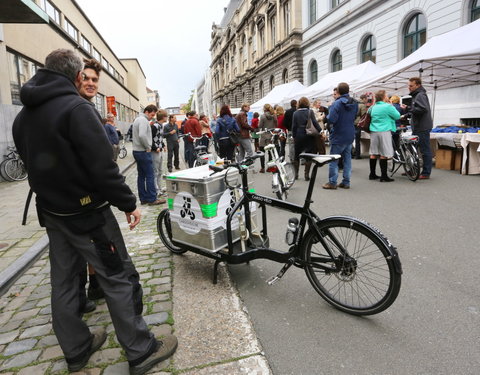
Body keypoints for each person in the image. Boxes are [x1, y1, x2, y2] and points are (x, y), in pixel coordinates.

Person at [12, 48, 177, 375]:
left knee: (63, 281)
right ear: (75, 76)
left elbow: (30, 163)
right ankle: (140, 350)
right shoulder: (76, 109)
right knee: (117, 277)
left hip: (53, 213)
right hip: (87, 214)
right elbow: (102, 168)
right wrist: (128, 203)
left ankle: (77, 348)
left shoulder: (23, 115)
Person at [76, 58, 105, 306]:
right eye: (86, 78)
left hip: (88, 190)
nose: (91, 83)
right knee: (86, 243)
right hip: (79, 193)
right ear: (76, 78)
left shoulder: (87, 108)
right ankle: (88, 288)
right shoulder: (77, 109)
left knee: (91, 241)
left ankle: (94, 284)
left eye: (95, 79)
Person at [323, 82, 358, 189]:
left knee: (334, 159)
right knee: (347, 159)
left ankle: (332, 182)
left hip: (338, 134)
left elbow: (332, 119)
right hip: (350, 132)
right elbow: (355, 116)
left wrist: (326, 117)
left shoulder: (336, 103)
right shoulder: (355, 102)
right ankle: (346, 182)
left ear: (338, 91)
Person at [133, 104, 164, 205]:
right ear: (146, 111)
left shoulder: (137, 119)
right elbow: (142, 135)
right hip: (143, 151)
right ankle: (152, 199)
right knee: (150, 175)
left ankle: (143, 198)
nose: (152, 117)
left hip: (137, 150)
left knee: (141, 176)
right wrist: (148, 147)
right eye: (152, 114)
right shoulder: (143, 120)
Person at [368, 90, 400, 182]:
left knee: (373, 153)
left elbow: (369, 115)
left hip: (374, 131)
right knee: (384, 153)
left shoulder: (372, 107)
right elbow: (397, 116)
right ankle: (384, 176)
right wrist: (391, 105)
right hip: (384, 130)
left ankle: (372, 174)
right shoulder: (388, 106)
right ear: (384, 97)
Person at [407, 77, 433, 180]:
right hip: (418, 127)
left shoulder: (420, 95)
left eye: (411, 86)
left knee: (424, 150)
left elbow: (423, 109)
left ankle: (426, 173)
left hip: (422, 127)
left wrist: (410, 109)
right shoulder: (417, 95)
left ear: (418, 85)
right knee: (412, 149)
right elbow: (418, 109)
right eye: (408, 85)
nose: (409, 87)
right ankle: (413, 169)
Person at [292, 97, 322, 180]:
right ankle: (306, 175)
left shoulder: (295, 113)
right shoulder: (310, 111)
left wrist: (294, 136)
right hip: (309, 134)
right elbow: (315, 122)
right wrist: (321, 131)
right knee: (308, 154)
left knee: (296, 155)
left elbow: (294, 126)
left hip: (299, 135)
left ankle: (296, 174)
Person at [151, 110, 167, 198]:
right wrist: (155, 147)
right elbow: (150, 138)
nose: (167, 118)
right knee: (155, 171)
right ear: (163, 117)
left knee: (160, 171)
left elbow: (160, 137)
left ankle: (159, 189)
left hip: (160, 150)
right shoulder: (154, 126)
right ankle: (156, 190)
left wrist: (163, 145)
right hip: (155, 151)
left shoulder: (161, 126)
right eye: (166, 116)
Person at [258, 103, 277, 173]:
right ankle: (270, 167)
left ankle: (262, 168)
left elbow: (260, 126)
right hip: (271, 135)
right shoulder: (274, 116)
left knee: (262, 152)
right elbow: (276, 124)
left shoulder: (262, 116)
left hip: (263, 136)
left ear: (264, 109)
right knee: (270, 152)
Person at [354, 94, 368, 159]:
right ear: (364, 99)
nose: (367, 100)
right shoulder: (362, 105)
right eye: (366, 99)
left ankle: (352, 154)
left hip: (352, 123)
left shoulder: (355, 104)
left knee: (352, 140)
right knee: (357, 140)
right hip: (358, 123)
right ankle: (357, 155)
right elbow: (363, 116)